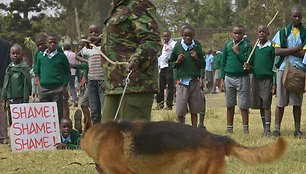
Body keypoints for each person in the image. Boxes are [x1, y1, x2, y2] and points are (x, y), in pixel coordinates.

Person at [101, 0, 161, 122]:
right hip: (115, 84)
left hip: (135, 84)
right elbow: (124, 39)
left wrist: (136, 59)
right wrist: (100, 40)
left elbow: (152, 40)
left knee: (133, 136)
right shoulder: (118, 7)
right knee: (107, 135)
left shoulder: (139, 5)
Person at [272, 6, 306, 138]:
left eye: (299, 16)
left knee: (297, 103)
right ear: (290, 17)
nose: (297, 18)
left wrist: (287, 49)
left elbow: (304, 54)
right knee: (280, 102)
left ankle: (297, 130)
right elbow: (276, 51)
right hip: (283, 69)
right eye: (294, 16)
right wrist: (297, 49)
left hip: (299, 71)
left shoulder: (305, 32)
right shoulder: (283, 32)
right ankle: (276, 129)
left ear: (301, 17)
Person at [169, 25, 205, 127]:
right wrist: (177, 61)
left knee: (194, 109)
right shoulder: (178, 46)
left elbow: (202, 64)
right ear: (182, 36)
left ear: (194, 35)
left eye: (190, 35)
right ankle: (181, 131)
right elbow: (170, 63)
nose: (188, 38)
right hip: (182, 83)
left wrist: (196, 58)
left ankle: (194, 130)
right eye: (185, 36)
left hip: (194, 82)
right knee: (180, 110)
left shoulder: (197, 45)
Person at [220, 25, 252, 134]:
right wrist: (221, 78)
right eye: (235, 33)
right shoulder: (227, 45)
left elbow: (248, 62)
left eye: (239, 33)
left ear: (243, 34)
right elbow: (222, 63)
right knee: (230, 104)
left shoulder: (247, 45)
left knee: (243, 105)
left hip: (242, 77)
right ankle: (229, 129)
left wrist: (238, 52)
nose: (237, 35)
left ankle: (245, 129)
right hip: (228, 77)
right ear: (232, 33)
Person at [34, 34, 71, 120]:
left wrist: (64, 85)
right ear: (46, 44)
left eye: (55, 42)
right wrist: (39, 85)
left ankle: (58, 130)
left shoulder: (61, 56)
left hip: (57, 89)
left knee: (58, 113)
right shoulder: (40, 56)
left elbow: (67, 72)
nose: (52, 44)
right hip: (44, 89)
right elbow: (37, 71)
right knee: (44, 113)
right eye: (50, 42)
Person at [247, 25, 275, 136]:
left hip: (267, 79)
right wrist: (249, 67)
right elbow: (253, 65)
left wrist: (274, 82)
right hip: (256, 79)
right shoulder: (255, 48)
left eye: (264, 31)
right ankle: (264, 128)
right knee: (260, 105)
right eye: (259, 31)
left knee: (266, 104)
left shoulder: (271, 47)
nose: (261, 33)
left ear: (268, 33)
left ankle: (268, 130)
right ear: (257, 33)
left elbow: (275, 66)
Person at [1, 45, 31, 125]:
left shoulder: (24, 68)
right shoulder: (9, 68)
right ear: (10, 55)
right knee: (12, 122)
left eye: (17, 53)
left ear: (22, 54)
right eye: (13, 53)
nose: (15, 55)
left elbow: (26, 85)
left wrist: (25, 100)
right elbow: (5, 84)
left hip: (20, 100)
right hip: (10, 99)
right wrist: (4, 98)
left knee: (22, 121)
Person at [78, 36, 104, 124]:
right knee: (94, 109)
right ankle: (95, 128)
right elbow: (77, 55)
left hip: (102, 81)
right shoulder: (87, 49)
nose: (93, 35)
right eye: (91, 33)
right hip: (91, 81)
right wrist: (86, 61)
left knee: (104, 107)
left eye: (96, 33)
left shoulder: (104, 47)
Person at [156, 31, 176, 110]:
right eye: (164, 36)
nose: (165, 38)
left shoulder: (174, 44)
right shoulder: (163, 45)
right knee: (160, 87)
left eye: (167, 36)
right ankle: (160, 104)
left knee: (170, 87)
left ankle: (169, 105)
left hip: (169, 68)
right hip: (162, 67)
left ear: (170, 36)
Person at [0, 38, 11, 144]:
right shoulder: (6, 44)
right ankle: (3, 137)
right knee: (2, 110)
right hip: (3, 82)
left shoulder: (6, 44)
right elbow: (9, 64)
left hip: (3, 83)